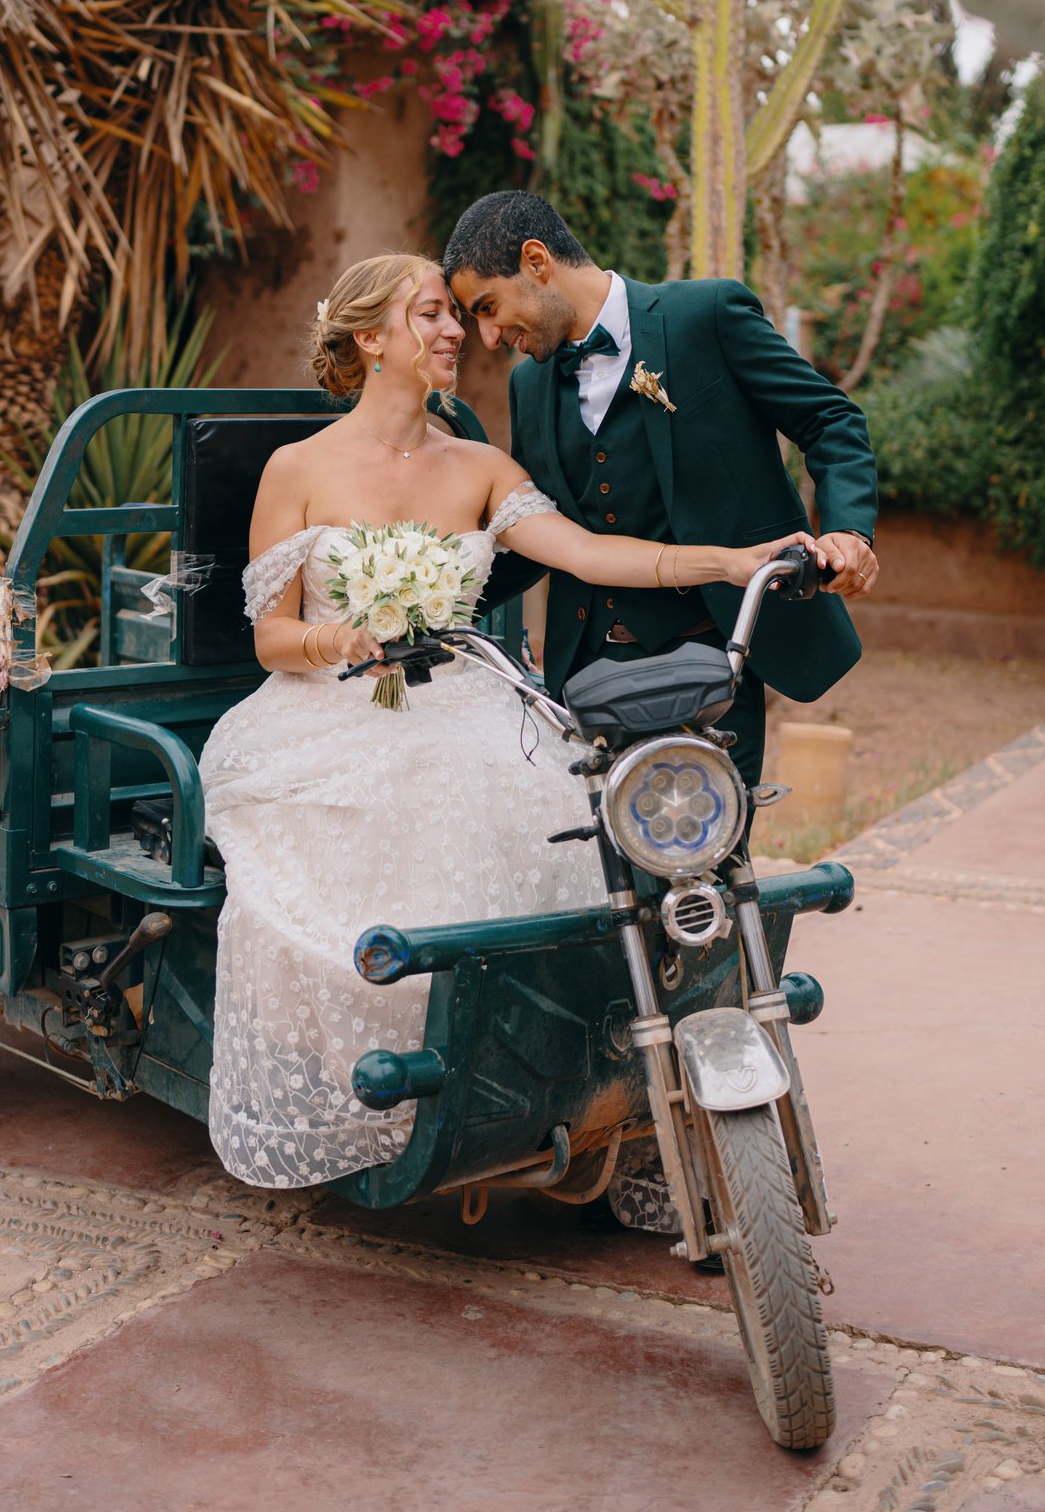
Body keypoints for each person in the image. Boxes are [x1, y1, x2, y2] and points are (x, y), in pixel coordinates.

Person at [197, 250, 824, 1191]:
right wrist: (345, 642)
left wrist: (731, 563)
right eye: (432, 315)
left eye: (458, 313)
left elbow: (594, 553)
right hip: (328, 713)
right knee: (397, 822)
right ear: (372, 338)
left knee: (566, 816)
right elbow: (273, 637)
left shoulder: (482, 465)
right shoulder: (297, 469)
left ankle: (551, 1075)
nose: (457, 332)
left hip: (469, 699)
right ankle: (396, 1081)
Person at [443, 192, 878, 795]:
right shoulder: (529, 384)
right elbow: (541, 529)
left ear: (537, 261)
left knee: (712, 862)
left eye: (488, 307)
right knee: (614, 872)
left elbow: (830, 421)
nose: (488, 336)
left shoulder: (708, 315)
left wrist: (848, 530)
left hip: (716, 661)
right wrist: (429, 602)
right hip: (585, 675)